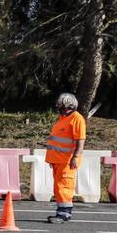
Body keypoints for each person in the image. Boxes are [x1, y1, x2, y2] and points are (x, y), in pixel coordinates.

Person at [45, 92, 86, 224]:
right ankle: (61, 212)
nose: (60, 109)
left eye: (62, 107)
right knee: (58, 187)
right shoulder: (62, 119)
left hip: (67, 160)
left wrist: (75, 156)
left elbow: (80, 141)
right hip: (58, 160)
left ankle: (64, 214)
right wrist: (53, 159)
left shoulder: (77, 119)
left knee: (64, 186)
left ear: (70, 106)